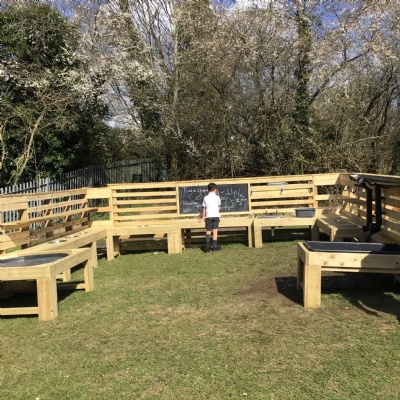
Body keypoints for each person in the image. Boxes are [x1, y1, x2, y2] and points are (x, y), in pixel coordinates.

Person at [198, 182, 222, 252]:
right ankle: (214, 246)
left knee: (208, 231)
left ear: (207, 190)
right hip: (216, 215)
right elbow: (219, 207)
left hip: (208, 216)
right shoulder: (217, 197)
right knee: (215, 231)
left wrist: (203, 217)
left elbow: (204, 208)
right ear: (215, 189)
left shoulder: (205, 198)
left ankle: (207, 246)